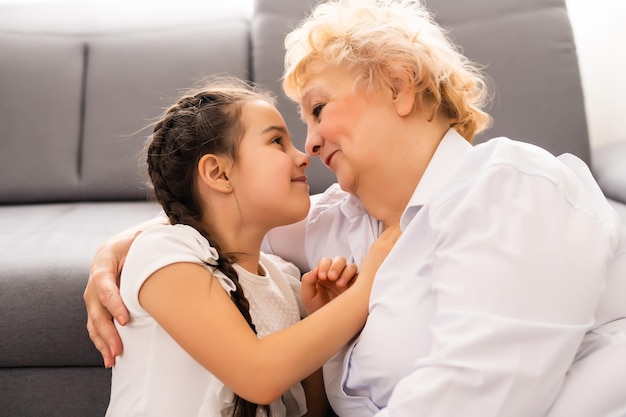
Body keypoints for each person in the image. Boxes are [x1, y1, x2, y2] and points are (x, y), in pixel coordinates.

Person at [86, 1, 626, 416]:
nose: (311, 145)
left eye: (318, 109)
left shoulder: (511, 190)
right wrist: (117, 251)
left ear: (398, 85)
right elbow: (224, 221)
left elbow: (474, 395)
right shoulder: (335, 221)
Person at [101, 75, 400, 417]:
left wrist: (322, 317)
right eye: (276, 141)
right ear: (218, 173)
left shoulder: (284, 280)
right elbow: (258, 376)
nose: (303, 156)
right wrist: (368, 284)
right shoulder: (165, 255)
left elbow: (309, 411)